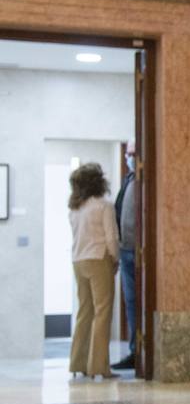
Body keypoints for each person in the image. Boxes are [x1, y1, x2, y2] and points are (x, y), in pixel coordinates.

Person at [68, 163, 120, 380]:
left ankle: (78, 363)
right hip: (99, 258)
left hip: (78, 260)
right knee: (102, 313)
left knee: (84, 312)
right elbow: (111, 237)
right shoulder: (104, 206)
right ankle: (99, 366)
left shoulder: (75, 208)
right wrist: (115, 258)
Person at [112, 147, 138, 371]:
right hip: (126, 249)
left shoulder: (145, 179)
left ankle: (141, 351)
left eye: (131, 153)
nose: (128, 157)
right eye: (128, 154)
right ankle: (134, 350)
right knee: (130, 302)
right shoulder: (128, 180)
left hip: (139, 251)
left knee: (139, 301)